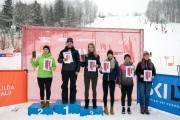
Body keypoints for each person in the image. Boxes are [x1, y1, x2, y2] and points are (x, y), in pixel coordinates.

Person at [58, 37, 80, 104]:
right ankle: (64, 99)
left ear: (72, 43)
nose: (69, 44)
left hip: (73, 71)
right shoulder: (62, 51)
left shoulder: (76, 52)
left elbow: (79, 61)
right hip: (65, 71)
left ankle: (72, 99)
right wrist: (62, 60)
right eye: (68, 43)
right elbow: (59, 60)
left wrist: (77, 70)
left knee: (73, 85)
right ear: (66, 43)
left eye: (71, 43)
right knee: (64, 85)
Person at [80, 43, 101, 109]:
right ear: (88, 48)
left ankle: (94, 103)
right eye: (89, 47)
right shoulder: (85, 56)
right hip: (87, 74)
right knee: (86, 89)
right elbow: (82, 65)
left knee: (94, 89)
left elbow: (99, 64)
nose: (90, 48)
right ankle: (86, 103)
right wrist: (81, 60)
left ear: (93, 48)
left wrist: (98, 66)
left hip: (94, 75)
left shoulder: (97, 56)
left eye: (91, 47)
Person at [100, 50, 119, 115]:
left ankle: (111, 108)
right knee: (105, 94)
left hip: (112, 81)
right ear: (107, 55)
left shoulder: (115, 62)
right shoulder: (104, 62)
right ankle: (105, 108)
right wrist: (100, 70)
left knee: (112, 94)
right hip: (105, 80)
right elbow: (102, 71)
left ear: (112, 55)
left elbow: (117, 72)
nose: (109, 55)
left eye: (111, 54)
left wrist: (116, 80)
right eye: (108, 54)